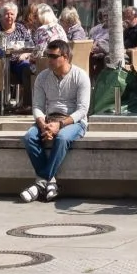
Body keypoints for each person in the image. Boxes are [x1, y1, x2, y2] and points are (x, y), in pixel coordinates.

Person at [22, 39, 89, 202]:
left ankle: (41, 182)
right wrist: (42, 124)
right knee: (29, 137)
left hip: (73, 122)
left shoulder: (80, 76)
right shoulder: (42, 77)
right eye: (47, 55)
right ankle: (50, 182)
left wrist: (59, 125)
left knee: (62, 138)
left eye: (53, 56)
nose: (49, 60)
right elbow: (37, 106)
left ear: (65, 57)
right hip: (48, 119)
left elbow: (82, 110)